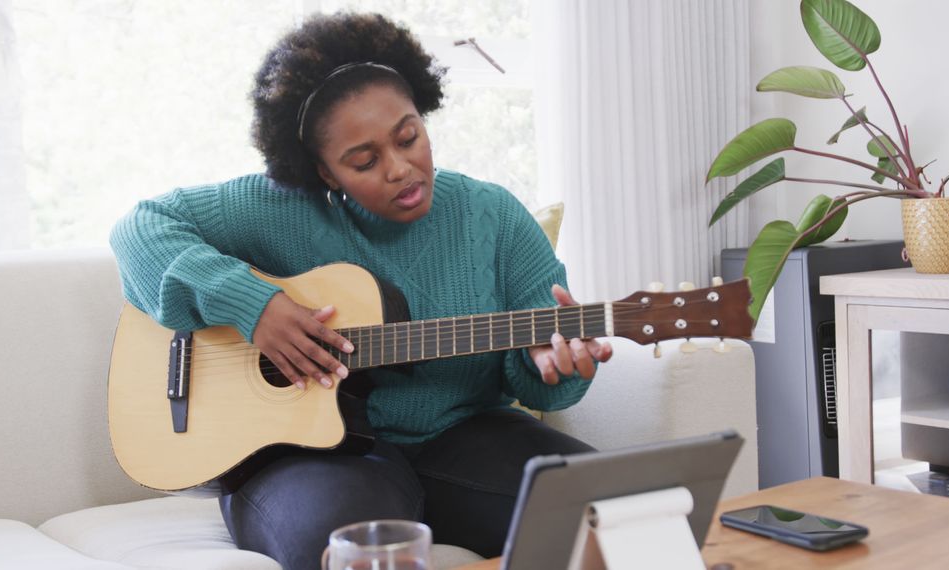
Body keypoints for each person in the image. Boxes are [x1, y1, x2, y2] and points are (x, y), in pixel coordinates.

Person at [110, 12, 613, 570]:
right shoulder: (279, 209)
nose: (401, 168)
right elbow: (140, 227)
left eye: (409, 137)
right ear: (325, 173)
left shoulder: (491, 216)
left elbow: (539, 367)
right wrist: (254, 307)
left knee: (617, 512)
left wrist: (555, 370)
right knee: (342, 549)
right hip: (305, 456)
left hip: (461, 438)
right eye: (365, 160)